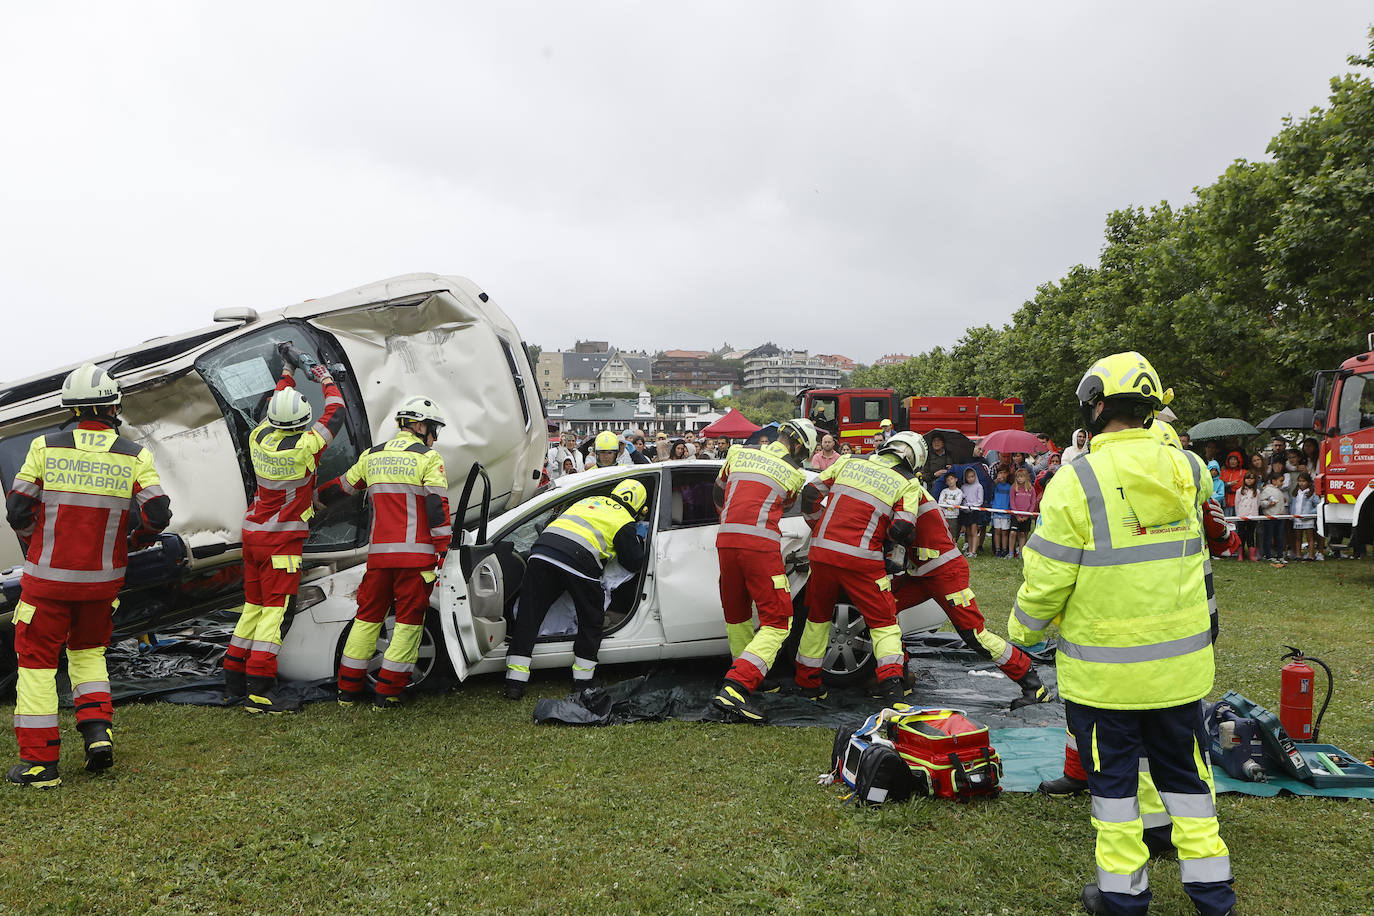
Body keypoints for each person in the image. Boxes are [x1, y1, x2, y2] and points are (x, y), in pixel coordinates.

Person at [1009, 351, 1234, 916]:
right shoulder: (1186, 469)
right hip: (1180, 673)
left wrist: (1022, 631)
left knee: (1113, 790)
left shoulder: (1074, 480)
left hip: (1103, 679)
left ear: (1095, 405)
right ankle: (1213, 895)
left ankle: (1123, 897)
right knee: (1187, 780)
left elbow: (1047, 579)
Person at [5, 364, 171, 787]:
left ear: (71, 407)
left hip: (46, 583)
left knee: (38, 667)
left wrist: (34, 539)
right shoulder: (135, 455)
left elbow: (19, 509)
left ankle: (40, 765)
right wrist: (136, 538)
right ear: (114, 406)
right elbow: (158, 513)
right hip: (102, 583)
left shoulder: (44, 447)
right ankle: (98, 734)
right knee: (88, 654)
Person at [224, 346, 345, 713]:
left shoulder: (259, 436)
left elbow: (279, 401)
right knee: (275, 613)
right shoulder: (305, 448)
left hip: (254, 535)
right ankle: (261, 689)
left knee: (253, 609)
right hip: (281, 544)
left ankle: (233, 682)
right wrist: (323, 376)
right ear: (302, 422)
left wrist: (289, 371)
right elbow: (336, 410)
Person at [320, 396, 451, 709]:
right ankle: (388, 692)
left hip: (378, 558)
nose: (434, 437)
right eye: (433, 429)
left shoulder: (372, 456)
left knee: (366, 619)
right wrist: (443, 547)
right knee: (407, 625)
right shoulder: (428, 459)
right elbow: (436, 507)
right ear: (419, 426)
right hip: (415, 558)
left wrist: (311, 501)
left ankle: (347, 691)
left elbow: (342, 488)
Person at [795, 431, 927, 703]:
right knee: (884, 623)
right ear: (915, 461)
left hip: (822, 553)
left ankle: (809, 685)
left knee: (818, 618)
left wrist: (817, 525)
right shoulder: (908, 484)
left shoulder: (848, 462)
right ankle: (892, 686)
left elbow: (809, 493)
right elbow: (902, 528)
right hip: (862, 559)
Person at [709, 419, 816, 720]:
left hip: (726, 541)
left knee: (737, 613)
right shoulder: (795, 473)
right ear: (797, 446)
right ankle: (737, 688)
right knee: (779, 620)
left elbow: (719, 492)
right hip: (760, 545)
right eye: (802, 453)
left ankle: (745, 672)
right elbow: (788, 502)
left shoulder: (737, 453)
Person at [503, 478, 649, 699]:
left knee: (529, 615)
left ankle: (515, 682)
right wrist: (637, 539)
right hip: (578, 560)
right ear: (640, 507)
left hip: (542, 551)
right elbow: (633, 562)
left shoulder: (591, 499)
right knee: (591, 618)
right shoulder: (624, 520)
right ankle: (583, 681)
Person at [1008, 466, 1037, 558]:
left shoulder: (1031, 489)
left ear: (1026, 477)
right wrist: (1017, 515)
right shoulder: (1013, 488)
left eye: (1022, 476)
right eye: (1018, 477)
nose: (1020, 479)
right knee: (1013, 533)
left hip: (1026, 515)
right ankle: (1011, 552)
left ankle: (1021, 553)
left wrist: (1028, 515)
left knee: (1023, 534)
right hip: (1015, 515)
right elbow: (1012, 501)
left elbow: (1033, 502)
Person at [1234, 470, 1261, 561]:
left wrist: (1253, 513)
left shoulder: (1257, 492)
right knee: (1241, 534)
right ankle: (1240, 555)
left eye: (1251, 478)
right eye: (1247, 478)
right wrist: (1239, 515)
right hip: (1241, 516)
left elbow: (1258, 503)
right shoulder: (1239, 491)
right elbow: (1237, 504)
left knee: (1250, 535)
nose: (1249, 480)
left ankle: (1252, 555)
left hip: (1252, 516)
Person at [959, 467, 985, 558]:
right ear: (965, 477)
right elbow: (961, 499)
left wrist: (972, 505)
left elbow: (980, 501)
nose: (971, 478)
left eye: (972, 476)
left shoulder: (979, 486)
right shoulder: (963, 487)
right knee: (968, 532)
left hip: (974, 512)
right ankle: (970, 550)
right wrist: (965, 506)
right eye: (968, 477)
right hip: (965, 511)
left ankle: (974, 551)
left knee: (974, 532)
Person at [1292, 472, 1319, 560]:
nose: (1301, 483)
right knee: (1298, 537)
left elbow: (1318, 505)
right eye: (1299, 481)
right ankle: (1298, 555)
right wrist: (1292, 514)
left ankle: (1311, 555)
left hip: (1308, 519)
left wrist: (1310, 513)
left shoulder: (1312, 493)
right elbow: (1293, 504)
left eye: (1303, 481)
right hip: (1297, 518)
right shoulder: (1296, 492)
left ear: (1308, 482)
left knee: (1310, 538)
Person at [988, 466, 1013, 557]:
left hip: (1006, 512)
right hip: (996, 511)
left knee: (1005, 532)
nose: (1002, 475)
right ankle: (997, 550)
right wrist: (996, 481)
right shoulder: (995, 485)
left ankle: (1004, 549)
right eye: (1000, 473)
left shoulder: (1010, 487)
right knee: (997, 531)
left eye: (1004, 473)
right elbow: (989, 491)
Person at [937, 472, 964, 544]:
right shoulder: (944, 491)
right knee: (944, 534)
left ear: (956, 479)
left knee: (953, 534)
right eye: (948, 480)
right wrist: (951, 502)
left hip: (953, 516)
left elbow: (957, 503)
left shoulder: (959, 492)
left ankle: (954, 548)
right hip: (944, 515)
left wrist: (947, 501)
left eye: (951, 479)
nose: (950, 481)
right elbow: (940, 503)